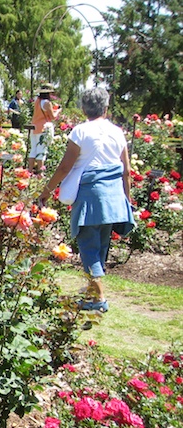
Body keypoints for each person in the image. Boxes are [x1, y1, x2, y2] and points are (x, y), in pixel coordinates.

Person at [36, 87, 135, 313]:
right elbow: (127, 171)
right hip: (113, 196)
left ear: (83, 108)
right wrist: (127, 200)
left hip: (90, 196)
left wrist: (46, 191)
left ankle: (98, 299)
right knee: (100, 245)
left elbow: (64, 167)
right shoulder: (117, 132)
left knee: (88, 245)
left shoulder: (80, 132)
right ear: (106, 108)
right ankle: (93, 290)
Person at [27, 83, 61, 173]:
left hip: (34, 126)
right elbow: (53, 117)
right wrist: (58, 111)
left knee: (33, 149)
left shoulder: (37, 101)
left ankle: (29, 170)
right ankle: (40, 171)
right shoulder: (47, 103)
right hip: (43, 128)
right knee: (41, 149)